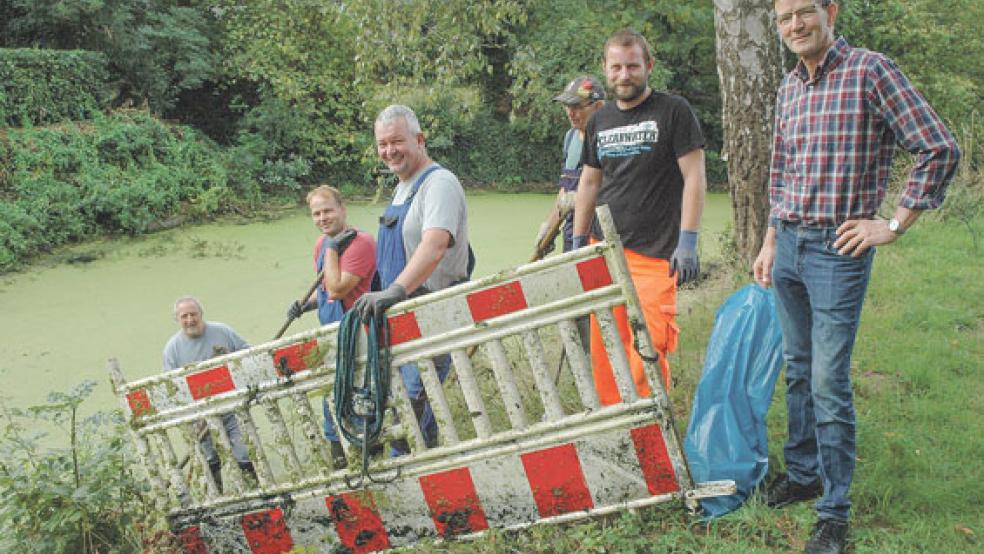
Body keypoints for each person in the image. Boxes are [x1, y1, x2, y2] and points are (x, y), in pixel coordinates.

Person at [753, 2, 960, 552]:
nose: (795, 25)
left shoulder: (871, 71)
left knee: (827, 379)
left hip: (837, 251)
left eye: (804, 12)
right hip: (790, 243)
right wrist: (772, 239)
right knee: (798, 368)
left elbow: (938, 148)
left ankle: (834, 509)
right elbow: (782, 169)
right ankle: (803, 474)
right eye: (784, 18)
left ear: (831, 10)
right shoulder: (788, 88)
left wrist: (892, 223)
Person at [571, 29, 707, 405]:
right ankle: (619, 436)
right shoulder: (599, 121)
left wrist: (688, 240)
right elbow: (590, 181)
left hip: (655, 255)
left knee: (649, 346)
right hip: (606, 253)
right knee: (607, 350)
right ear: (606, 69)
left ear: (648, 66)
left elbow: (694, 177)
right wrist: (578, 242)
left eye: (632, 66)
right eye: (616, 67)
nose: (624, 75)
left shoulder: (673, 111)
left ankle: (651, 434)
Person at [353, 104, 471, 454]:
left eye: (397, 142)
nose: (389, 151)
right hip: (400, 317)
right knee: (403, 402)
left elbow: (435, 244)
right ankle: (422, 466)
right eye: (382, 144)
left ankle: (414, 475)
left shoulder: (439, 184)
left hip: (429, 311)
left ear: (419, 140)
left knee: (415, 401)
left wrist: (395, 290)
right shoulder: (401, 188)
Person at [285, 185, 376, 468]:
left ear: (342, 209)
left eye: (327, 211)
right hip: (330, 331)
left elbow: (337, 289)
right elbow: (325, 290)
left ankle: (370, 455)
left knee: (361, 392)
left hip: (357, 332)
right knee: (331, 394)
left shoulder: (361, 243)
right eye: (316, 213)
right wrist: (306, 305)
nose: (322, 218)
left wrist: (334, 250)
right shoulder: (321, 245)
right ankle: (339, 459)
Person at [163, 296, 256, 492]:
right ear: (177, 320)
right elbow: (171, 389)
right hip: (199, 416)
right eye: (184, 316)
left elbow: (247, 353)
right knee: (209, 459)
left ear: (201, 314)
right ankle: (218, 497)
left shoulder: (222, 331)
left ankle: (255, 491)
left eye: (193, 314)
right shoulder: (172, 349)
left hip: (232, 407)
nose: (190, 320)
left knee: (244, 453)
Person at [535, 75, 605, 255]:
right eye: (567, 106)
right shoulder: (570, 138)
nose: (570, 112)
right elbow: (565, 190)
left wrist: (583, 198)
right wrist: (548, 227)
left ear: (598, 107)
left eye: (577, 107)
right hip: (572, 233)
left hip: (600, 233)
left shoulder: (608, 141)